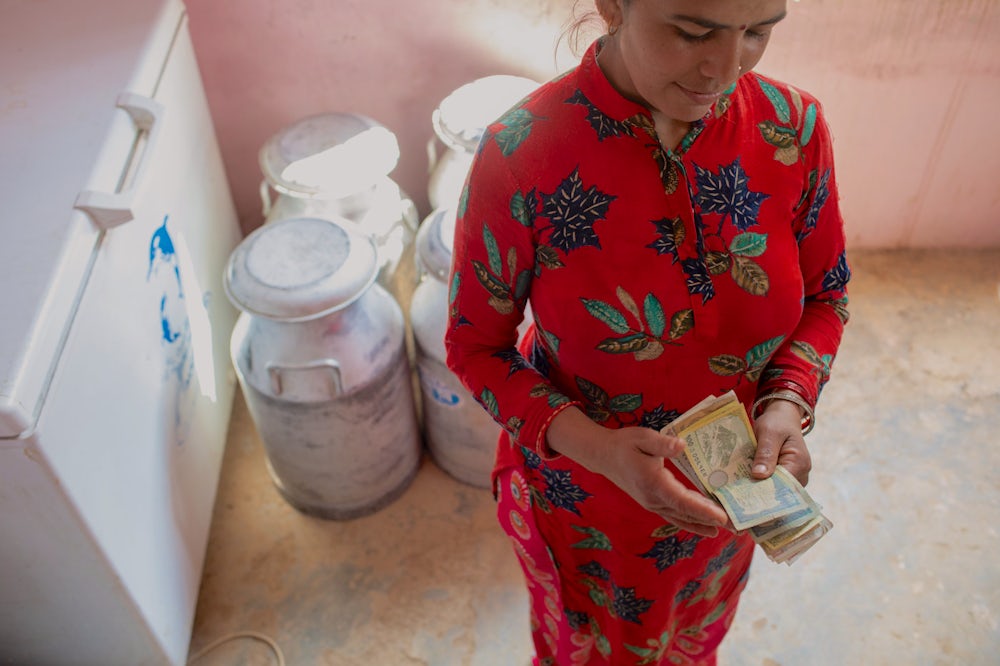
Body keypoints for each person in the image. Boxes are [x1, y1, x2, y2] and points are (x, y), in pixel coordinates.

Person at [444, 0, 850, 663]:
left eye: (758, 32)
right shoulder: (523, 152)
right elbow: (475, 348)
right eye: (691, 32)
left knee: (690, 642)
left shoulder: (793, 130)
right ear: (613, 6)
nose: (724, 68)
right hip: (584, 507)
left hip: (726, 502)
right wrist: (602, 452)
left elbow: (827, 294)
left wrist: (786, 402)